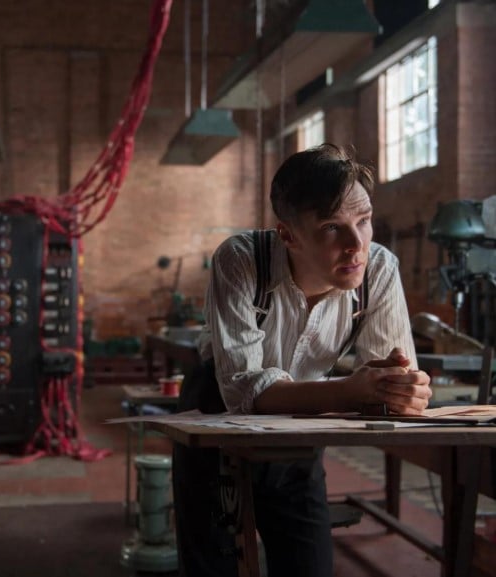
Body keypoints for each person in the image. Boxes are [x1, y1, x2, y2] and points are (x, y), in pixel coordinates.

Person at [172, 143, 432, 577]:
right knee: (213, 562)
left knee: (308, 564)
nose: (357, 245)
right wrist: (352, 390)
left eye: (364, 221)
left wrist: (402, 390)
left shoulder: (380, 269)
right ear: (288, 235)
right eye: (332, 228)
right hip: (215, 416)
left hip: (303, 422)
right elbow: (240, 391)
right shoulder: (241, 260)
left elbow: (390, 375)